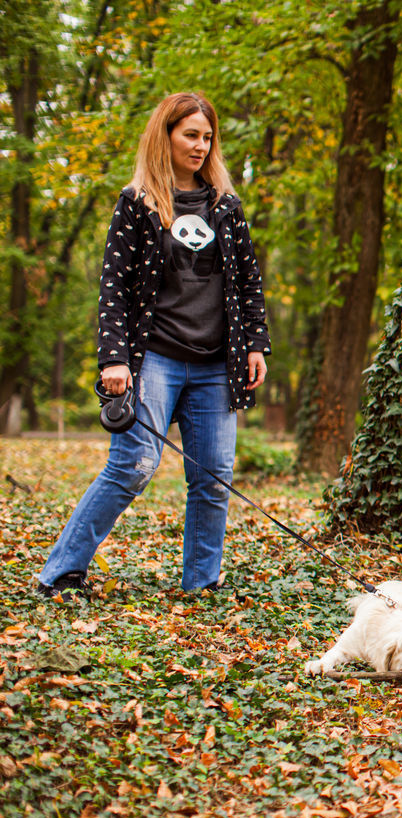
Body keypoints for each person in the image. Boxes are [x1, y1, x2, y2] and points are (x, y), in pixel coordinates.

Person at [37, 92, 270, 598]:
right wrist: (114, 357)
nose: (201, 146)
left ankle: (201, 582)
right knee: (132, 465)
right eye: (190, 135)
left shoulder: (226, 206)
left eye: (207, 138)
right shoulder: (137, 203)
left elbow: (249, 281)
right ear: (165, 135)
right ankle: (61, 571)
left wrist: (255, 343)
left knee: (212, 479)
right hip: (155, 360)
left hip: (215, 366)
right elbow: (114, 286)